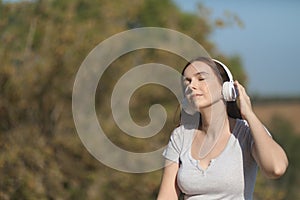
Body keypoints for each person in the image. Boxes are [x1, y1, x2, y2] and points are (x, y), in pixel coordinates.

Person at [157, 57, 288, 200]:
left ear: (225, 87)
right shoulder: (180, 136)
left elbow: (276, 168)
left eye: (201, 79)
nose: (191, 85)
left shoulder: (246, 132)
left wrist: (248, 114)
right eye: (187, 81)